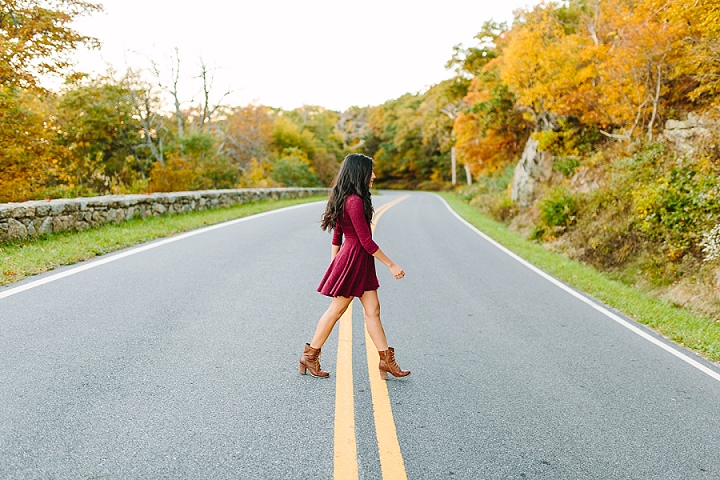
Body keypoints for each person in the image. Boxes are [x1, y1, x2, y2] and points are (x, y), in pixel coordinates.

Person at [299, 153, 411, 380]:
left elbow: (338, 235)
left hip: (357, 261)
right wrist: (391, 265)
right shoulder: (354, 201)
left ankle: (385, 361)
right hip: (354, 260)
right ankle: (309, 356)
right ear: (360, 172)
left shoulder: (349, 198)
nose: (374, 176)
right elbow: (365, 241)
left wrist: (334, 263)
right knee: (336, 310)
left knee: (373, 311)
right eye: (371, 172)